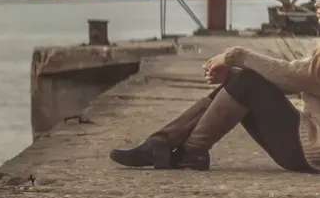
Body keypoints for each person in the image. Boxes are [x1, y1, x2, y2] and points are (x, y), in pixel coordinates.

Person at [109, 44, 320, 172]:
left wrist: (236, 56)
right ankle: (170, 146)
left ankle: (183, 149)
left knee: (246, 81)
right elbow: (298, 82)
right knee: (242, 80)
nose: (317, 4)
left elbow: (299, 75)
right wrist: (231, 78)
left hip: (309, 153)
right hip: (306, 149)